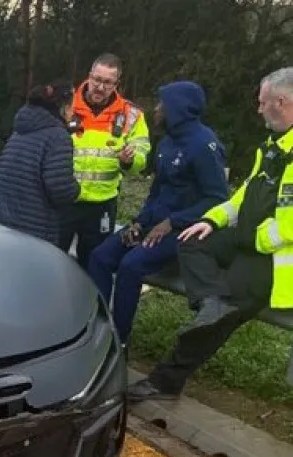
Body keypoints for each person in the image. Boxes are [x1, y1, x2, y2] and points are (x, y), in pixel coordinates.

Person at [129, 66, 293, 402]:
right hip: (245, 238)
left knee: (218, 320)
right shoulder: (274, 146)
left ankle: (166, 381)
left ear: (282, 102)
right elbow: (243, 196)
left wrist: (258, 239)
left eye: (263, 102)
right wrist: (212, 221)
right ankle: (211, 301)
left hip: (271, 259)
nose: (258, 109)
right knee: (191, 239)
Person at [87, 81, 229, 348]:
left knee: (131, 266)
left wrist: (172, 222)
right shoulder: (166, 142)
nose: (156, 109)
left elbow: (217, 198)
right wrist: (139, 222)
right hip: (152, 224)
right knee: (100, 257)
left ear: (178, 109)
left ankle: (118, 341)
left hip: (182, 231)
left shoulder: (204, 146)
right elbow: (157, 190)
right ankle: (98, 326)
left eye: (163, 104)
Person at [58, 53, 151, 268]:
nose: (100, 87)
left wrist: (129, 160)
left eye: (108, 83)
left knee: (93, 264)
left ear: (117, 84)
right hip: (64, 200)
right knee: (52, 259)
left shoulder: (131, 115)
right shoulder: (66, 105)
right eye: (97, 80)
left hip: (102, 205)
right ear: (89, 76)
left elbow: (142, 156)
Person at [0, 81, 79, 245]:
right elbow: (60, 188)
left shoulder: (20, 130)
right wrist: (76, 190)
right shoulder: (58, 136)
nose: (73, 111)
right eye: (72, 105)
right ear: (63, 107)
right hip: (32, 228)